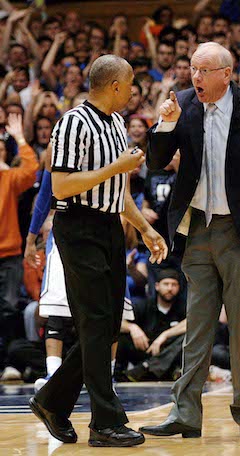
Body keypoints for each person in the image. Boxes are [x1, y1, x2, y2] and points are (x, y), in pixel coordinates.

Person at [139, 42, 240, 440]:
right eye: (192, 68)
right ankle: (185, 413)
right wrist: (166, 124)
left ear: (226, 73)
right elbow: (154, 161)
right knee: (198, 327)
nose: (196, 77)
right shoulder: (183, 103)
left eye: (204, 70)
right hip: (196, 228)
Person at [29, 54, 168, 447]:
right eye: (129, 86)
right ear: (115, 86)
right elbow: (61, 187)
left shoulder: (117, 124)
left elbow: (119, 193)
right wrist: (114, 168)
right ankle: (105, 422)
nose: (133, 93)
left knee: (108, 326)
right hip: (77, 227)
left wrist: (144, 229)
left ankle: (52, 400)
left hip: (109, 226)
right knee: (94, 321)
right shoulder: (73, 122)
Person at [24, 146, 135, 393]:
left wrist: (140, 230)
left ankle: (108, 378)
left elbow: (124, 198)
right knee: (57, 309)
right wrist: (32, 238)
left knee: (112, 312)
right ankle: (53, 375)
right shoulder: (60, 150)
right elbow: (45, 194)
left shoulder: (113, 145)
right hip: (67, 232)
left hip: (106, 231)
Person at [0, 113, 38, 370]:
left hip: (9, 255)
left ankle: (9, 363)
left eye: (1, 148)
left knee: (10, 308)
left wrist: (20, 138)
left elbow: (31, 170)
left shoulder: (8, 178)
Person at [118, 268, 186, 382]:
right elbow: (117, 323)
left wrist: (165, 335)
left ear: (179, 288)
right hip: (143, 349)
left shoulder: (182, 306)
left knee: (188, 337)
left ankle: (147, 368)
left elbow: (192, 323)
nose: (170, 288)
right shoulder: (143, 305)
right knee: (121, 336)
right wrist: (132, 328)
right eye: (166, 284)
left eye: (174, 285)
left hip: (168, 354)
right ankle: (117, 373)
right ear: (157, 286)